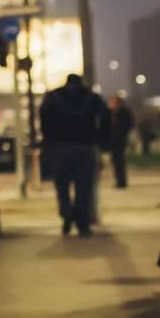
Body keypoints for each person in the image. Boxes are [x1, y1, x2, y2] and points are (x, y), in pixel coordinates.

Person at [40, 73, 110, 236]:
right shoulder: (92, 98)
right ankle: (82, 223)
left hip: (59, 148)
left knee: (61, 186)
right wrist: (101, 138)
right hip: (84, 146)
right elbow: (105, 117)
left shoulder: (53, 97)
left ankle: (66, 213)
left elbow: (44, 119)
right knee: (83, 187)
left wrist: (49, 140)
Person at [107, 92, 134, 188]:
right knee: (115, 161)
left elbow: (129, 124)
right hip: (113, 140)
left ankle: (121, 181)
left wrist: (122, 132)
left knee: (119, 161)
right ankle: (119, 180)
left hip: (120, 140)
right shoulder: (111, 112)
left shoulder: (124, 112)